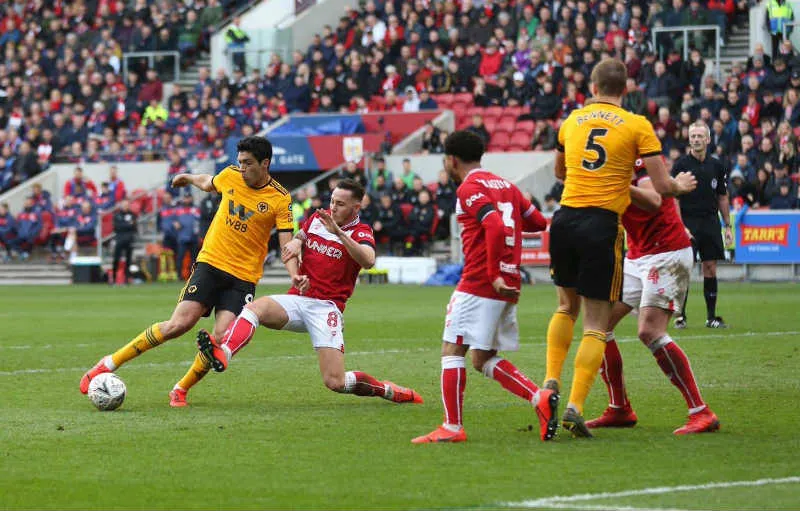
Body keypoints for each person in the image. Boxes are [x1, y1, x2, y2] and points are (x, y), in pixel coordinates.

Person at [79, 136, 298, 405]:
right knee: (177, 325)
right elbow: (208, 182)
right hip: (211, 262)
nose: (242, 168)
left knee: (221, 339)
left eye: (248, 163)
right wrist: (187, 177)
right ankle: (108, 363)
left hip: (243, 277)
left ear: (265, 164)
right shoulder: (230, 176)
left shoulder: (280, 198)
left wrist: (295, 275)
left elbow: (286, 245)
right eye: (239, 162)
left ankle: (181, 388)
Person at [545, 59, 696, 437]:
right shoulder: (636, 125)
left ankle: (549, 382)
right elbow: (661, 191)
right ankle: (591, 405)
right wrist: (678, 185)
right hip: (604, 230)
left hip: (570, 221)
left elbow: (560, 174)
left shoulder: (571, 120)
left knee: (569, 309)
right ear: (625, 90)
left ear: (591, 85)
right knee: (598, 325)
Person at [187, 179, 423, 407]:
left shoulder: (361, 232)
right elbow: (301, 236)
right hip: (300, 299)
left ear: (356, 207)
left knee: (335, 382)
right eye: (332, 201)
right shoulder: (317, 219)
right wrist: (298, 243)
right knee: (253, 309)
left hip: (326, 308)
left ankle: (386, 390)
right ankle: (224, 353)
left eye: (340, 204)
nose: (333, 207)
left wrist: (339, 233)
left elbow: (369, 260)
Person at [411, 130, 557, 444]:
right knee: (482, 357)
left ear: (451, 160)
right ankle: (539, 398)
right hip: (510, 282)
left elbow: (491, 223)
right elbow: (538, 223)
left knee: (452, 349)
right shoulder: (507, 186)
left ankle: (451, 427)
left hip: (481, 282)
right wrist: (517, 205)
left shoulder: (469, 187)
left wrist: (492, 274)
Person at [586, 159, 720, 435]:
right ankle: (619, 408)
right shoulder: (598, 162)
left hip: (666, 251)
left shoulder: (634, 159)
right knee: (598, 326)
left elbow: (654, 198)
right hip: (637, 253)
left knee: (649, 331)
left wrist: (619, 185)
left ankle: (701, 411)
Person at [671, 122, 732, 330]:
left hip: (710, 222)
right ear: (689, 139)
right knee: (684, 269)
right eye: (693, 136)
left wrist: (728, 225)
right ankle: (680, 316)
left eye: (700, 136)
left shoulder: (717, 166)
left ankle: (711, 317)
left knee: (710, 268)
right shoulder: (680, 165)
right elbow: (674, 199)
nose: (696, 139)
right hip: (688, 222)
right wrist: (680, 225)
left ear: (708, 139)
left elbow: (723, 196)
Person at [112, 199, 137, 285]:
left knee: (128, 260)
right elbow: (117, 227)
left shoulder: (132, 214)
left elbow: (134, 227)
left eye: (127, 205)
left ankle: (127, 278)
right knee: (116, 259)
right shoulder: (117, 215)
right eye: (124, 205)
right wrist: (128, 224)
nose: (125, 207)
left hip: (129, 239)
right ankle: (114, 278)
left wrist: (125, 224)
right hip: (119, 239)